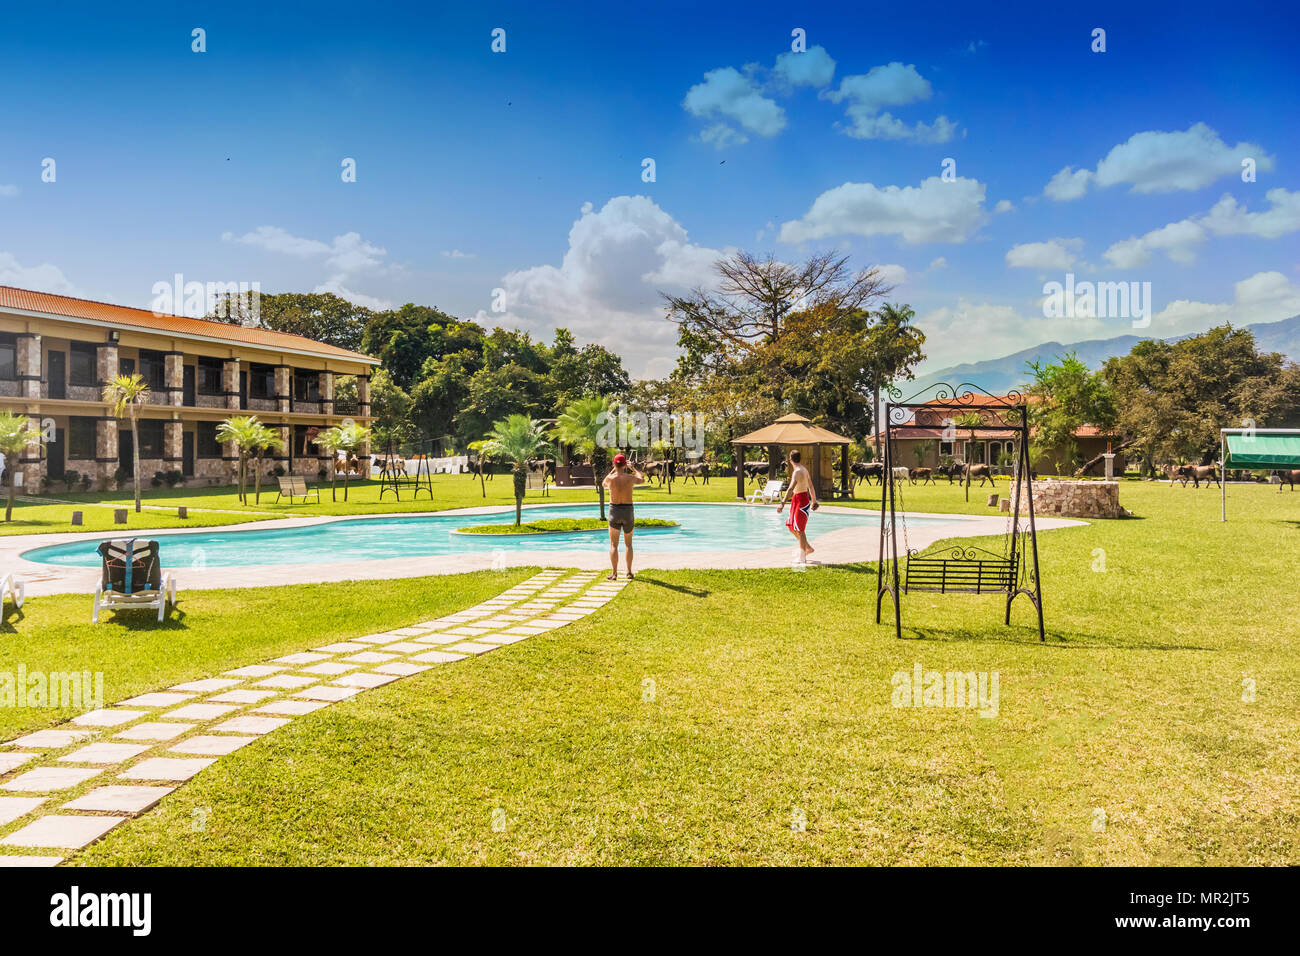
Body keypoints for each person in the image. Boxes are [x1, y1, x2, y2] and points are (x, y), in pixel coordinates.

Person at [602, 454, 645, 580]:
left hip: (614, 511)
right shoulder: (630, 478)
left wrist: (613, 470)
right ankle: (629, 572)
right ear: (625, 465)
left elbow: (603, 483)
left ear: (614, 464)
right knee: (628, 544)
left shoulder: (610, 479)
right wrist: (633, 469)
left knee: (613, 545)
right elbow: (641, 479)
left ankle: (614, 573)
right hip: (627, 511)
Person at [777, 449, 818, 563]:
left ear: (790, 460)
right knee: (791, 526)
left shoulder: (798, 472)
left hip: (801, 500)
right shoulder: (804, 470)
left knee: (800, 529)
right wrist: (814, 500)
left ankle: (802, 556)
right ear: (800, 458)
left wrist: (782, 503)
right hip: (798, 499)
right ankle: (807, 547)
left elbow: (790, 488)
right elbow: (811, 486)